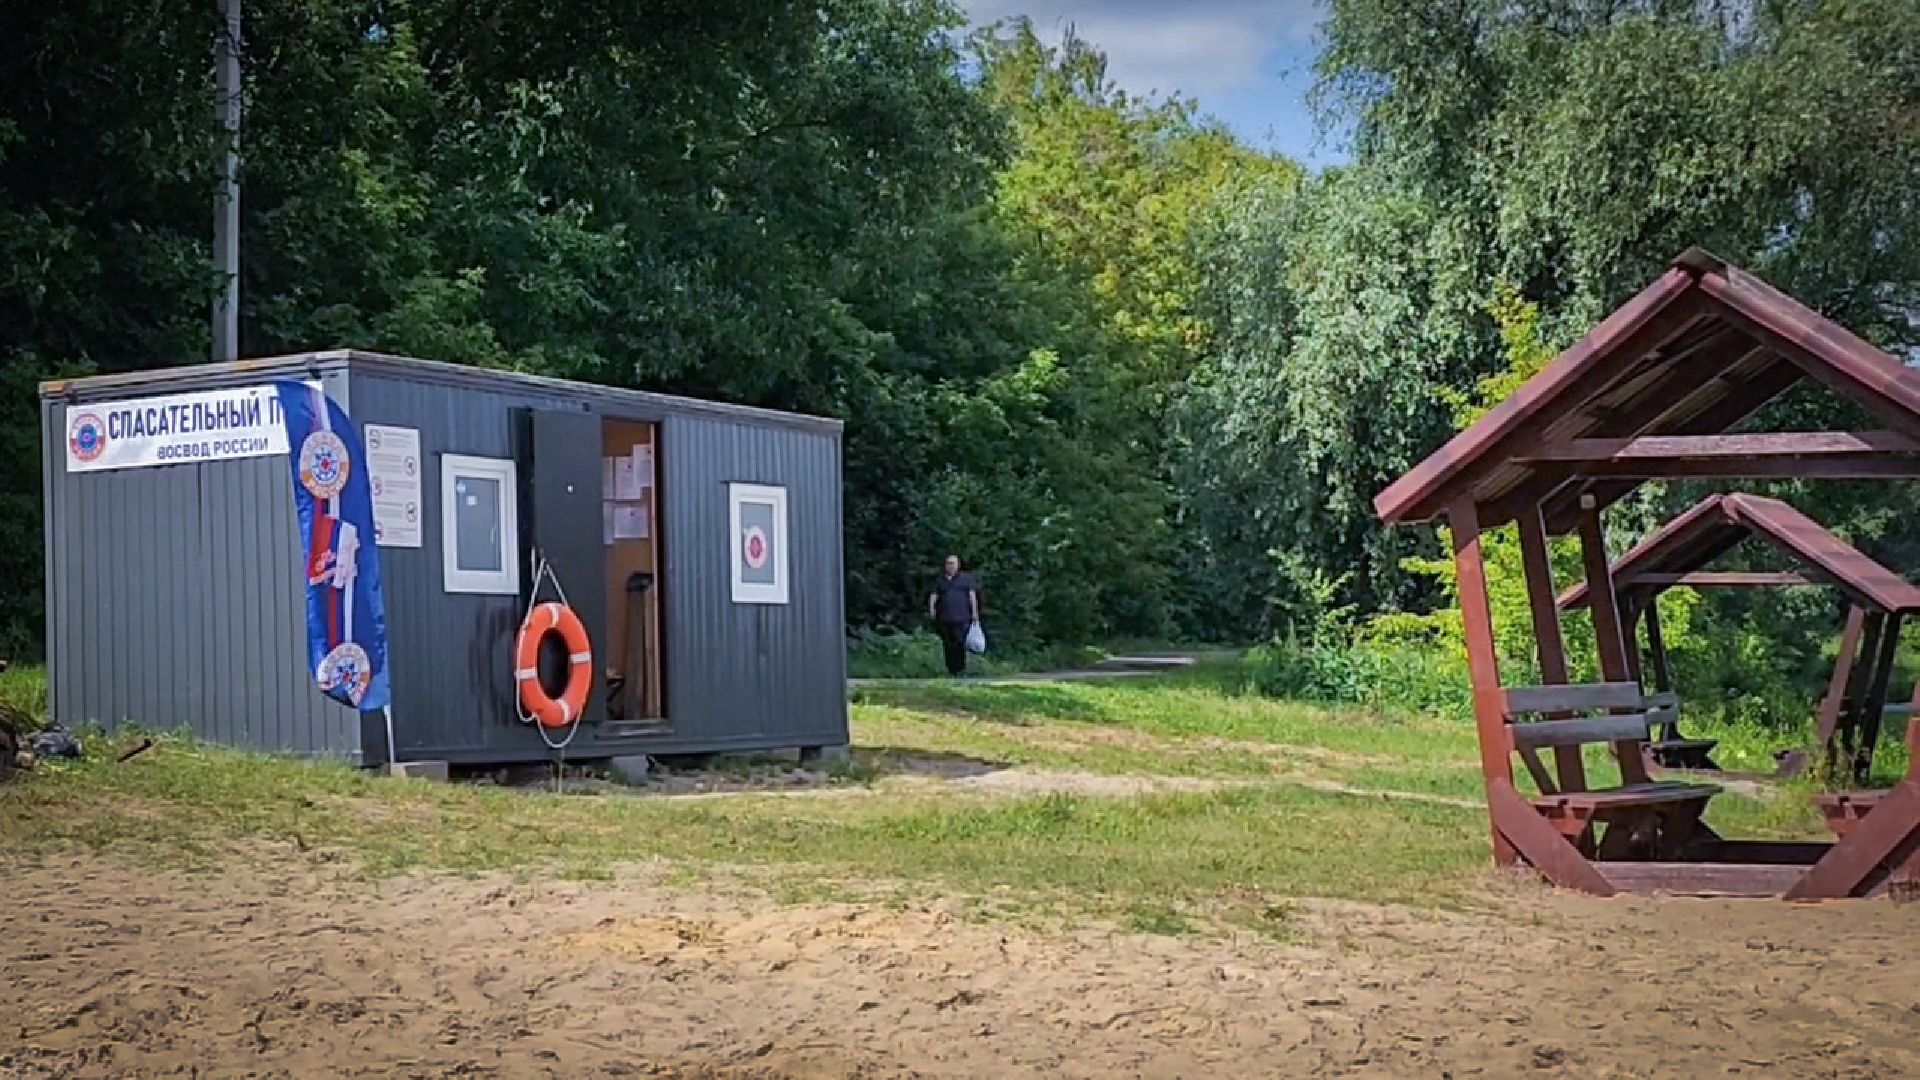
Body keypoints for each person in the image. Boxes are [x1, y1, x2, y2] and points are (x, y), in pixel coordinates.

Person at [928, 555, 980, 677]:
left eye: (953, 563)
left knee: (960, 642)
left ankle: (960, 668)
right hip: (945, 618)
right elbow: (934, 595)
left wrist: (975, 613)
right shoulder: (940, 580)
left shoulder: (966, 579)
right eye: (948, 563)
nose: (950, 566)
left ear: (958, 565)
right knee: (947, 644)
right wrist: (932, 610)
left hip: (962, 617)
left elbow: (972, 596)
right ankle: (950, 669)